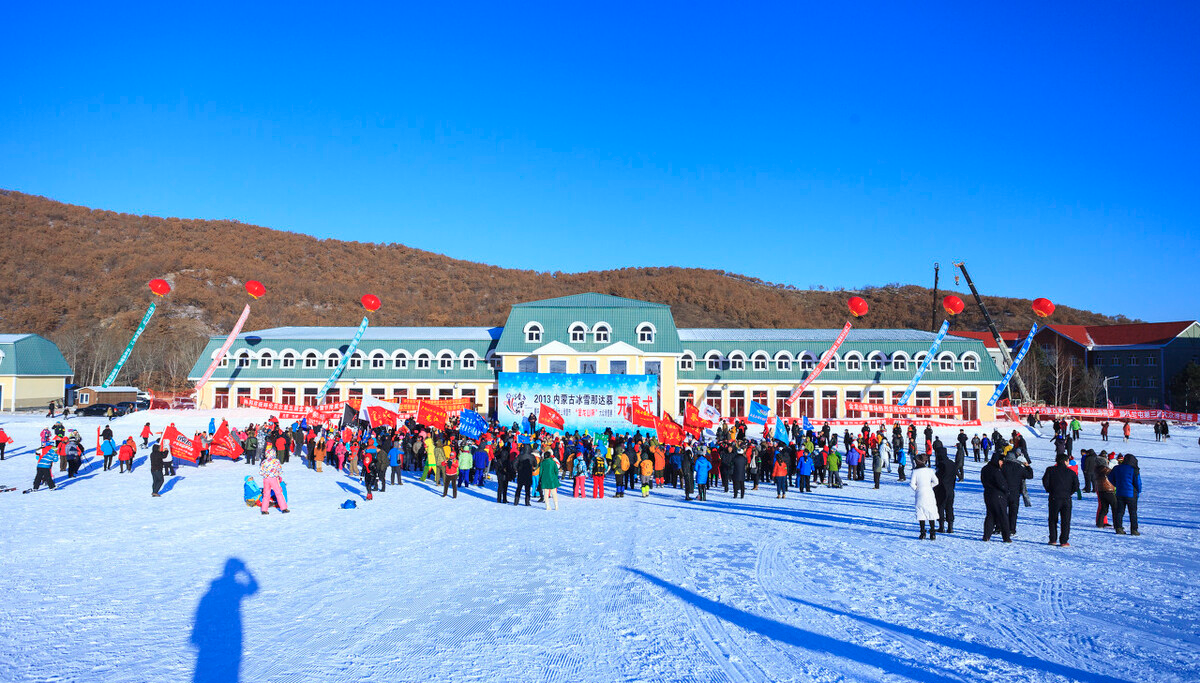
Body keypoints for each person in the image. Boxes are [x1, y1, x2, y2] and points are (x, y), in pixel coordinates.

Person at [1042, 454, 1080, 547]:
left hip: (1054, 497)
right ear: (1065, 461)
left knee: (1052, 519)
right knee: (1066, 520)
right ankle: (1064, 541)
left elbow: (1045, 481)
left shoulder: (1050, 470)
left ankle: (1053, 539)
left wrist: (1050, 490)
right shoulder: (1071, 472)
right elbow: (1076, 485)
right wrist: (1069, 492)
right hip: (1066, 498)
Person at [1107, 453, 1142, 535]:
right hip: (1131, 493)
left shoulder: (1116, 468)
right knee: (1133, 512)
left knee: (1119, 511)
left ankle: (1118, 528)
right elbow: (1138, 482)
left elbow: (1110, 477)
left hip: (1119, 492)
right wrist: (1138, 490)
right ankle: (1134, 530)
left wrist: (1116, 484)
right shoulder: (1133, 469)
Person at [981, 454, 1011, 542]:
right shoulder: (996, 470)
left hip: (987, 494)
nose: (1002, 463)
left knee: (990, 515)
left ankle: (986, 535)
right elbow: (1001, 483)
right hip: (998, 495)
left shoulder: (985, 469)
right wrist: (1006, 490)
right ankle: (1006, 537)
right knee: (1003, 516)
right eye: (1001, 461)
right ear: (998, 460)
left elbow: (983, 480)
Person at [1003, 450, 1034, 536]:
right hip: (1015, 492)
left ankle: (1002, 527)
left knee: (1003, 511)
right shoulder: (1019, 467)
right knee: (1013, 512)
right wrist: (1028, 466)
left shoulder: (1003, 467)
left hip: (1003, 492)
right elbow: (1030, 476)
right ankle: (1012, 529)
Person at [910, 456, 940, 540]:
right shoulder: (930, 471)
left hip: (920, 493)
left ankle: (922, 533)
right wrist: (929, 487)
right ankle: (933, 533)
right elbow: (936, 481)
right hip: (929, 493)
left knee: (921, 513)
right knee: (931, 512)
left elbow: (912, 484)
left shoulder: (915, 471)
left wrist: (917, 489)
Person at [934, 446, 957, 534]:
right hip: (951, 488)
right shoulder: (952, 463)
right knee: (950, 507)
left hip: (941, 489)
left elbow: (938, 478)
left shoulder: (941, 464)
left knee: (941, 507)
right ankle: (950, 527)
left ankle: (941, 527)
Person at [259, 450, 289, 515]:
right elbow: (279, 470)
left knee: (266, 494)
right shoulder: (276, 461)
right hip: (274, 478)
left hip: (266, 479)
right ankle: (283, 508)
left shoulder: (264, 462)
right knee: (278, 493)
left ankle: (264, 509)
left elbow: (261, 472)